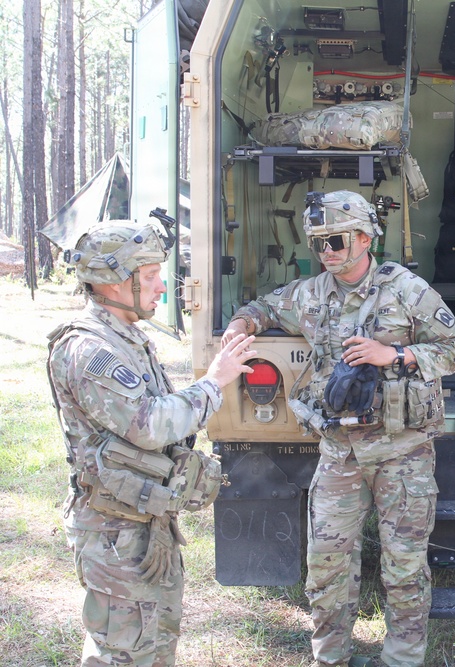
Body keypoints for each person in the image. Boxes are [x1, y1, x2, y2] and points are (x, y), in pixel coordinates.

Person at [222, 190, 455, 667]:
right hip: (340, 453)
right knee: (326, 566)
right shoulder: (311, 293)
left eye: (335, 240)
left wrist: (394, 355)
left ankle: (402, 659)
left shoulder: (407, 290)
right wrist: (241, 321)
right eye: (318, 243)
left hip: (402, 452)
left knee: (405, 569)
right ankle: (330, 657)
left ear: (362, 237)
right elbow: (266, 307)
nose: (327, 251)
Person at [47, 220, 257, 666]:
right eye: (150, 277)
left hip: (141, 518)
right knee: (123, 652)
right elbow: (149, 425)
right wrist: (215, 382)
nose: (162, 287)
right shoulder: (91, 350)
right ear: (114, 281)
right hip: (113, 532)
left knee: (154, 644)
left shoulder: (127, 339)